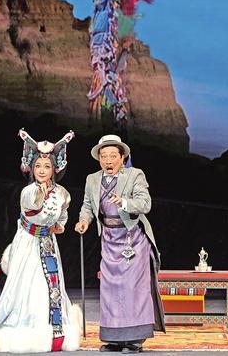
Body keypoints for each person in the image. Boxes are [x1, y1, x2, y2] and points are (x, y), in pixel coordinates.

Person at [0, 129, 82, 353]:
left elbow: (62, 215)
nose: (42, 170)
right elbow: (35, 212)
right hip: (28, 243)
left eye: (46, 166)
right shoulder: (28, 192)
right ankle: (27, 331)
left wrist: (60, 226)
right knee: (27, 287)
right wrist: (43, 198)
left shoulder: (62, 193)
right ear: (32, 168)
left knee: (50, 286)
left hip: (48, 244)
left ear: (54, 169)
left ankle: (53, 332)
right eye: (38, 166)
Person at [74, 134, 164, 354]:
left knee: (133, 289)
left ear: (122, 157)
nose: (108, 160)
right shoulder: (92, 179)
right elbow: (87, 205)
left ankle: (134, 339)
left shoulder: (135, 175)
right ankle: (113, 338)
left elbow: (145, 204)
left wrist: (124, 201)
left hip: (132, 239)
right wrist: (84, 220)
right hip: (109, 239)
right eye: (104, 156)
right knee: (110, 289)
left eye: (113, 156)